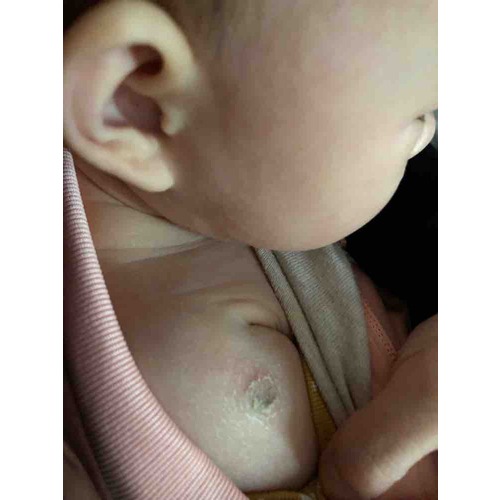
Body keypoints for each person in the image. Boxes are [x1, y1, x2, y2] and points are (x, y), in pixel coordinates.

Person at [63, 1, 438, 498]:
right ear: (137, 105)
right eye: (416, 112)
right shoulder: (192, 394)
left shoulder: (238, 198)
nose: (427, 138)